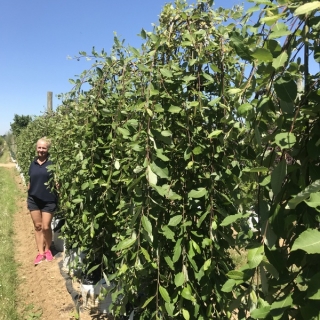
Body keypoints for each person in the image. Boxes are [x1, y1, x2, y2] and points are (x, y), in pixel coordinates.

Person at [27, 137, 58, 265]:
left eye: (43, 148)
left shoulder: (52, 164)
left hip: (49, 200)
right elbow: (30, 180)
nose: (41, 150)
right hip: (33, 199)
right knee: (38, 226)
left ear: (47, 149)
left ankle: (47, 249)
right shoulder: (32, 164)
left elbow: (57, 181)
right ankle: (40, 253)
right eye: (39, 147)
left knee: (46, 226)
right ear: (36, 148)